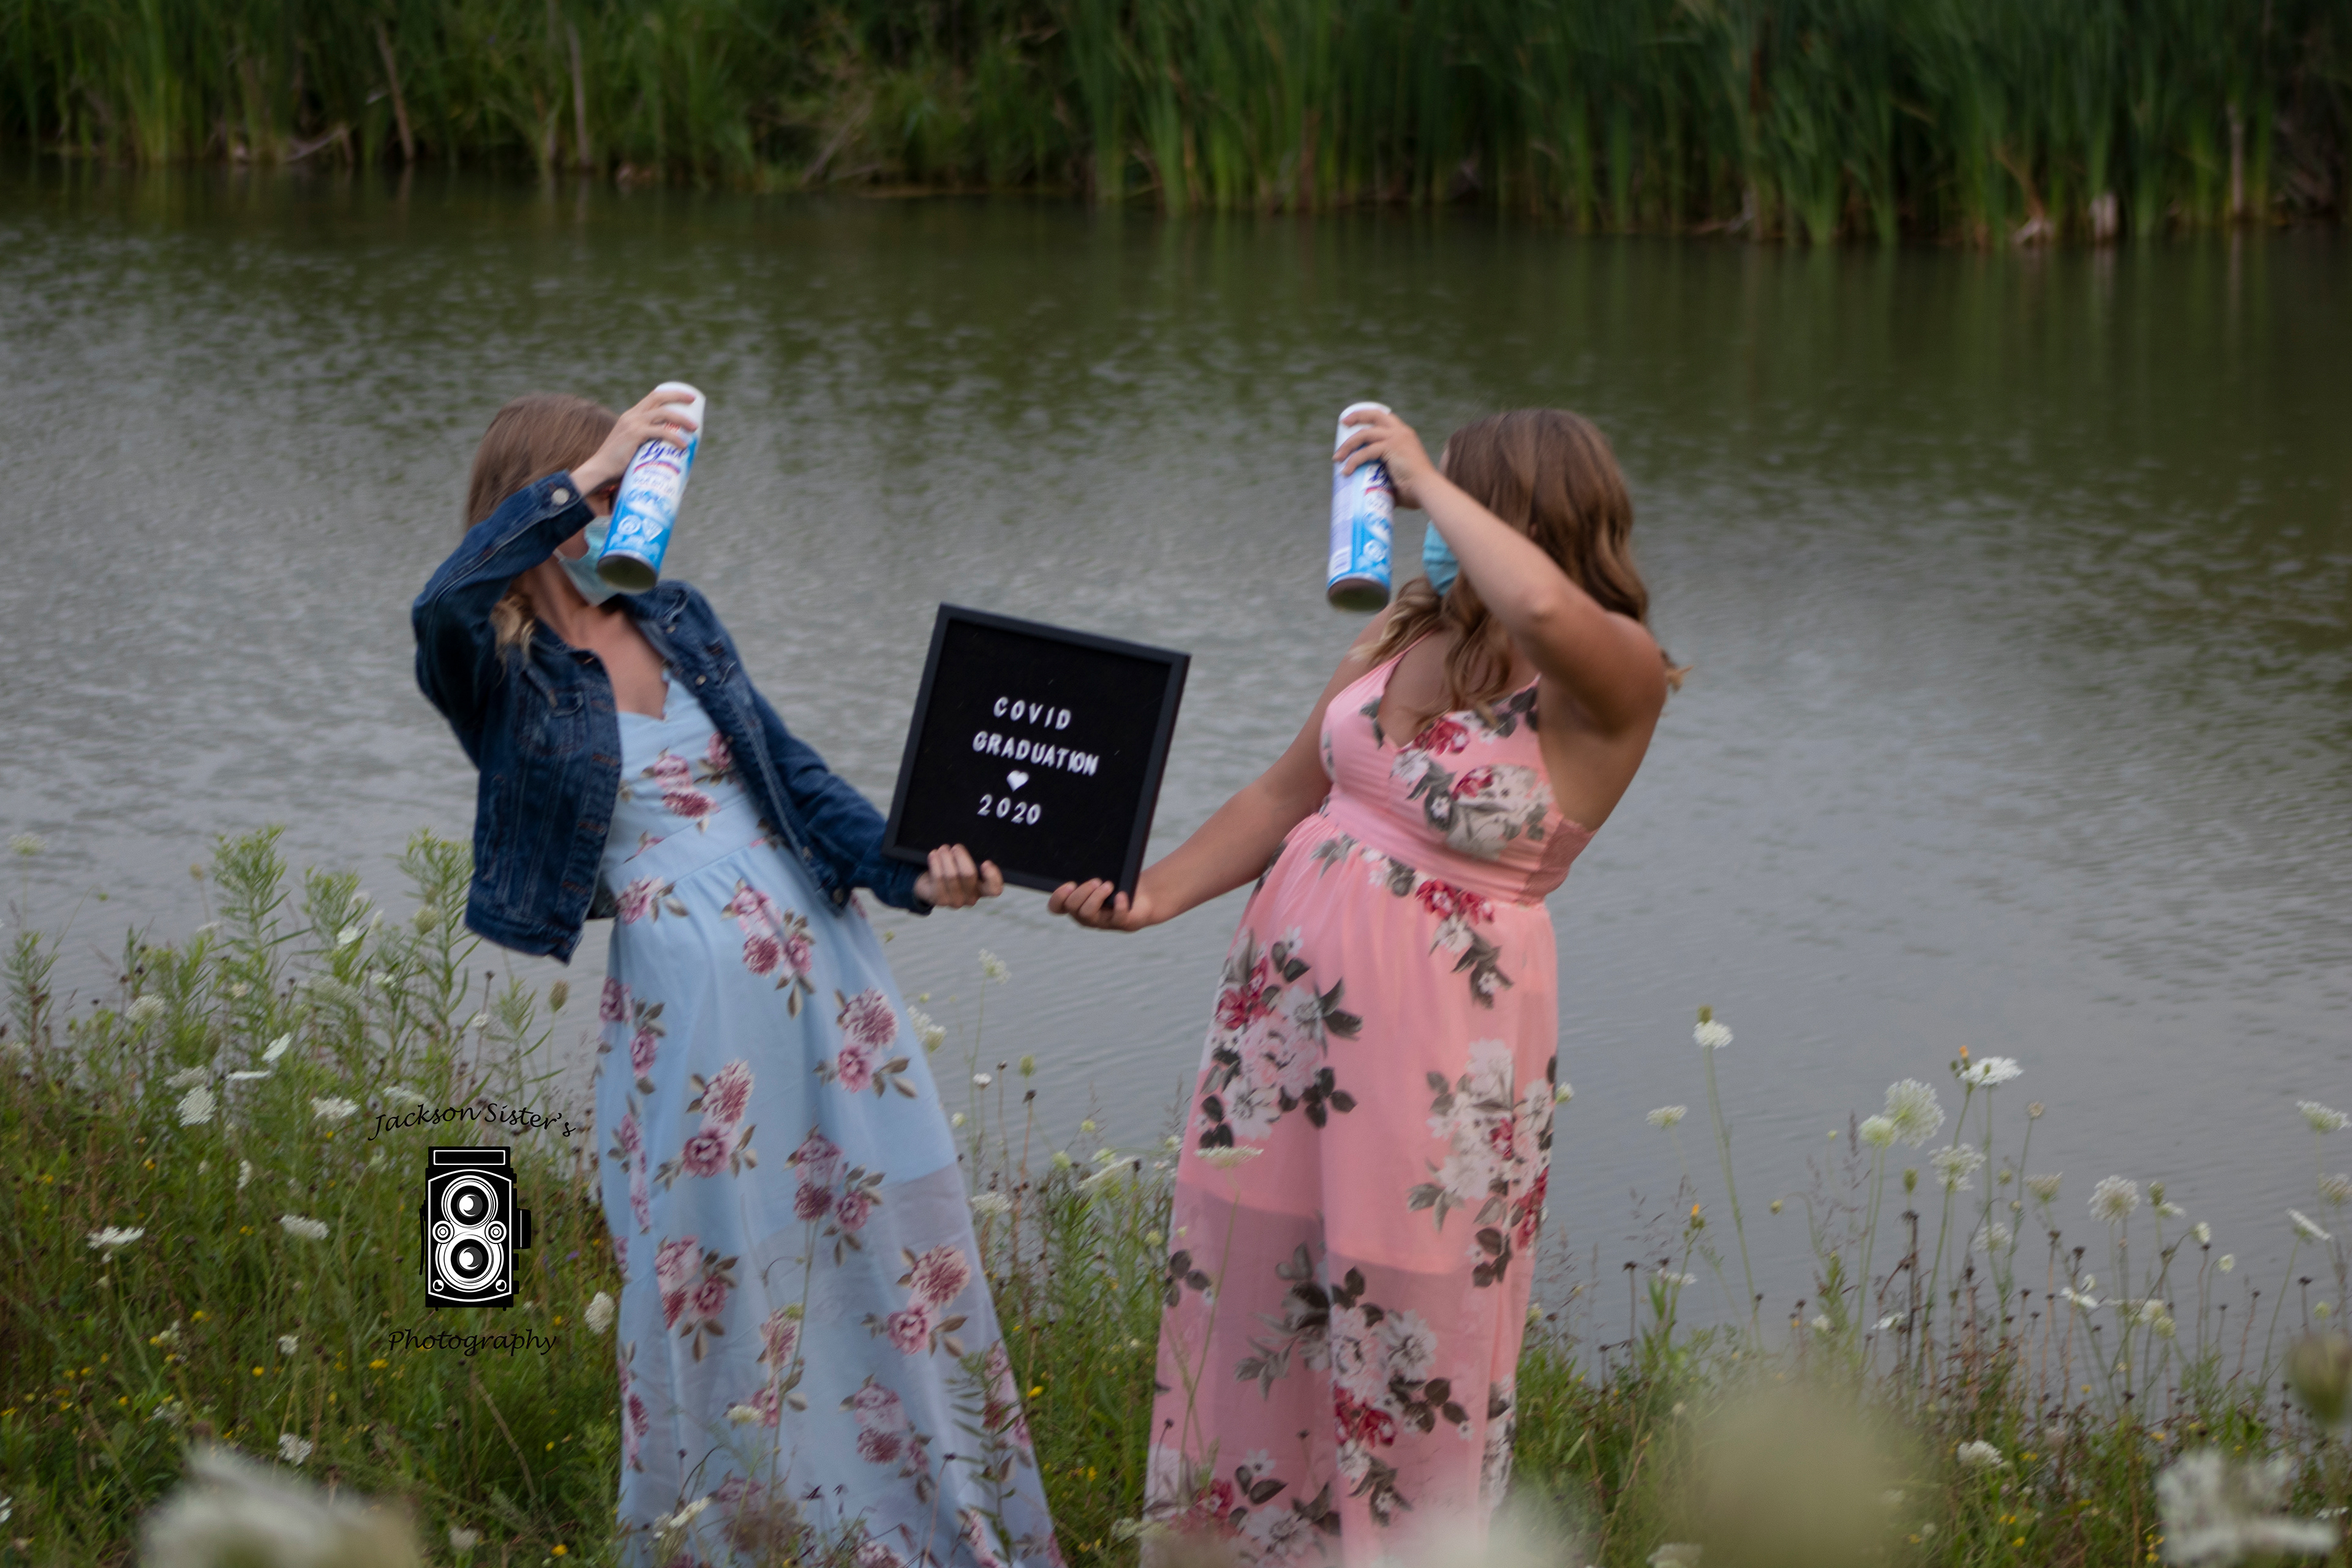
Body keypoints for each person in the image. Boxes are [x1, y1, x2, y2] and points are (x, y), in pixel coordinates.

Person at [412, 387, 1062, 1568]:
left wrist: (917, 874)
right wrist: (590, 467)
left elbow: (795, 779)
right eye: (612, 491)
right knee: (717, 1260)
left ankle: (923, 1520)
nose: (632, 515)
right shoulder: (498, 666)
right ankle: (748, 1534)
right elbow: (442, 599)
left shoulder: (676, 617)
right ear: (542, 497)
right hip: (693, 996)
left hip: (824, 962)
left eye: (640, 489)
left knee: (883, 1229)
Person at [1048, 405, 1678, 1561]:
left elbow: (1544, 609)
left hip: (1436, 1058)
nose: (1424, 525)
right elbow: (1285, 794)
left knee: (1408, 1326)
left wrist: (1429, 478)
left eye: (1452, 500)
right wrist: (1148, 898)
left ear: (1520, 516)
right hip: (1280, 1039)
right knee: (1250, 1296)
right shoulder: (1404, 632)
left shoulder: (1614, 673)